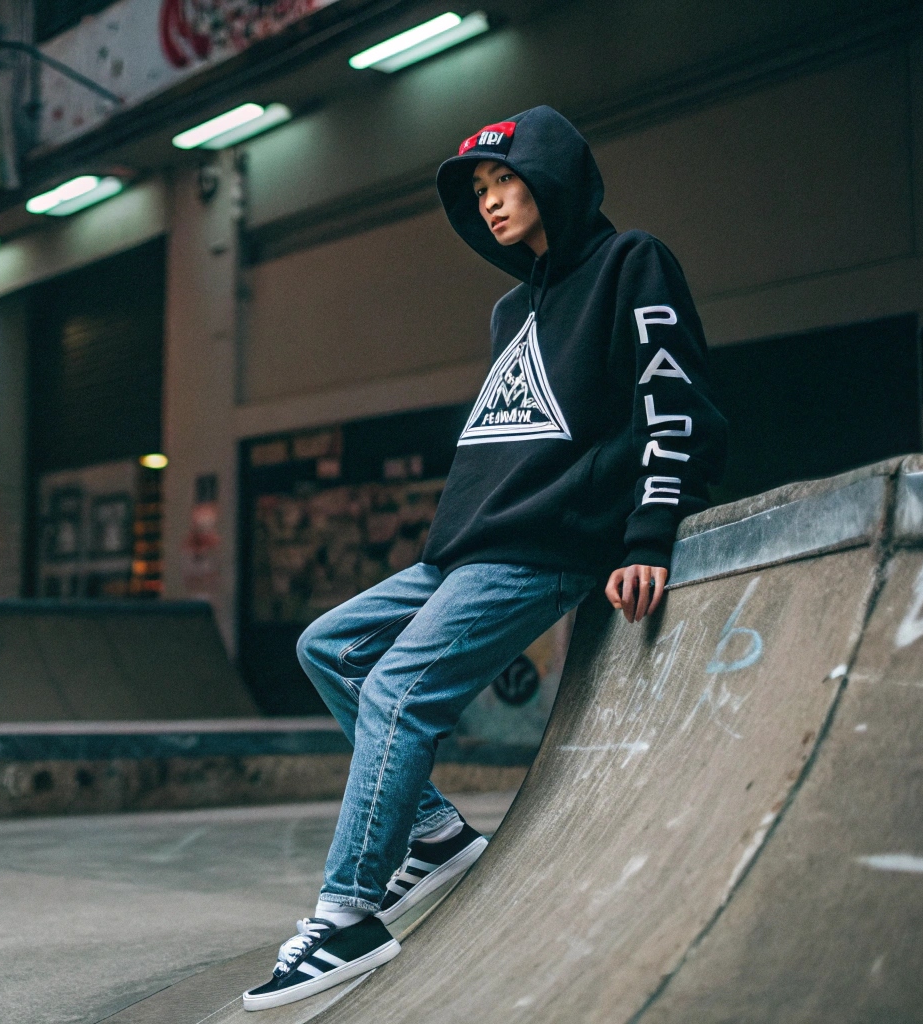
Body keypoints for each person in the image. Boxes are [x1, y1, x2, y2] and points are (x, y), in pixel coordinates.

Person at [241, 105, 727, 1011]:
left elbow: (677, 400)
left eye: (505, 181)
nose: (493, 202)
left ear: (551, 178)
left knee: (398, 691)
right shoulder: (513, 307)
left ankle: (348, 916)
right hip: (462, 550)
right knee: (328, 647)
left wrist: (648, 532)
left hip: (547, 545)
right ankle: (431, 834)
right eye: (480, 191)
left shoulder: (633, 264)